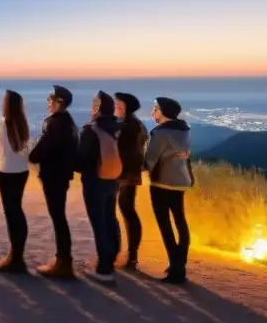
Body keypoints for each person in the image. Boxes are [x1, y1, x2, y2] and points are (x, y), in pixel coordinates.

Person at [28, 84, 79, 279]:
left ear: (60, 103)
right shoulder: (69, 123)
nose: (48, 103)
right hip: (62, 175)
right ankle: (63, 260)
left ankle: (63, 262)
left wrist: (33, 155)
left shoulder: (55, 123)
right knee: (59, 217)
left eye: (51, 100)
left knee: (58, 218)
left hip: (53, 175)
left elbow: (39, 151)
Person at [76, 90, 123, 285]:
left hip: (94, 181)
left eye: (93, 105)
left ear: (97, 108)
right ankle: (111, 257)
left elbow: (82, 161)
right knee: (110, 217)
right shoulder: (119, 127)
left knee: (99, 223)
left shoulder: (91, 129)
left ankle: (104, 269)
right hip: (113, 179)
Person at [145, 97, 194, 285]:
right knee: (180, 222)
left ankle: (176, 269)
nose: (152, 112)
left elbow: (149, 161)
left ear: (163, 111)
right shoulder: (185, 130)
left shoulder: (161, 133)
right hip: (181, 181)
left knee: (165, 225)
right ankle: (179, 264)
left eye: (155, 109)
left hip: (162, 183)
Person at [0, 90, 31, 273]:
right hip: (22, 171)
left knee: (11, 214)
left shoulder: (1, 124)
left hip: (6, 171)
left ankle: (14, 258)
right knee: (17, 210)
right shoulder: (23, 123)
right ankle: (18, 254)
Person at [114, 91, 148, 270]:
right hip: (130, 173)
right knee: (128, 211)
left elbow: (122, 150)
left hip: (123, 174)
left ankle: (129, 255)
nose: (115, 106)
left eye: (118, 104)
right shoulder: (136, 125)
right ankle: (131, 255)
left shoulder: (127, 126)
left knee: (126, 211)